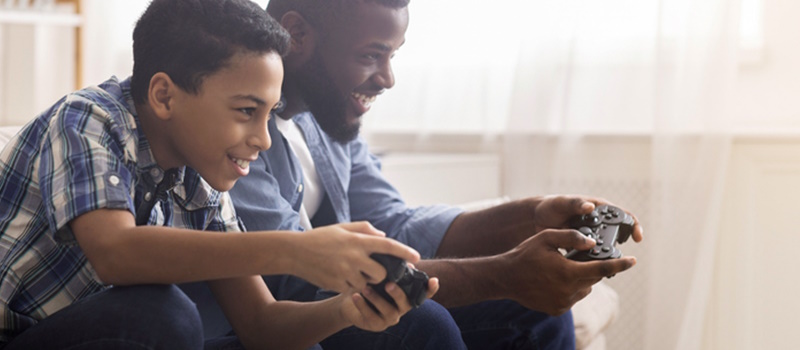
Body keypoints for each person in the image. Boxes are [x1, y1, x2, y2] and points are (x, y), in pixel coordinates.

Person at [0, 0, 439, 348]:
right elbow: (115, 251)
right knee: (161, 314)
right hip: (21, 336)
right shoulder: (89, 119)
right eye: (247, 111)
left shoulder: (201, 179)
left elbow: (262, 326)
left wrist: (348, 310)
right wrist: (298, 251)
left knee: (410, 327)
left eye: (270, 115)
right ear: (164, 96)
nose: (264, 139)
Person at [213, 0, 644, 349]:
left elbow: (395, 224)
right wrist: (505, 274)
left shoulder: (329, 116)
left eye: (392, 55)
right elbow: (298, 277)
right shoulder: (229, 132)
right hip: (298, 311)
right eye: (370, 55)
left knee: (531, 313)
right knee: (422, 323)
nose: (387, 78)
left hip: (333, 294)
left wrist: (529, 216)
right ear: (297, 35)